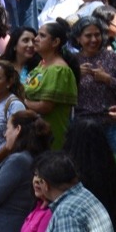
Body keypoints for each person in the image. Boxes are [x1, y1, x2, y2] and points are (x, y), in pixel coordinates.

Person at [24, 20, 79, 148]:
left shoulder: (58, 70)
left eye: (42, 36)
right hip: (35, 134)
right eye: (37, 35)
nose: (36, 39)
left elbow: (46, 107)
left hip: (51, 135)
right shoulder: (41, 64)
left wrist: (23, 101)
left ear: (55, 42)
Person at [71, 17, 116, 124]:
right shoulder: (72, 61)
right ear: (78, 39)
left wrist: (108, 79)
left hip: (109, 120)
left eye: (97, 35)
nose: (94, 40)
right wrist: (75, 75)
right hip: (81, 122)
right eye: (88, 36)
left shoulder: (112, 58)